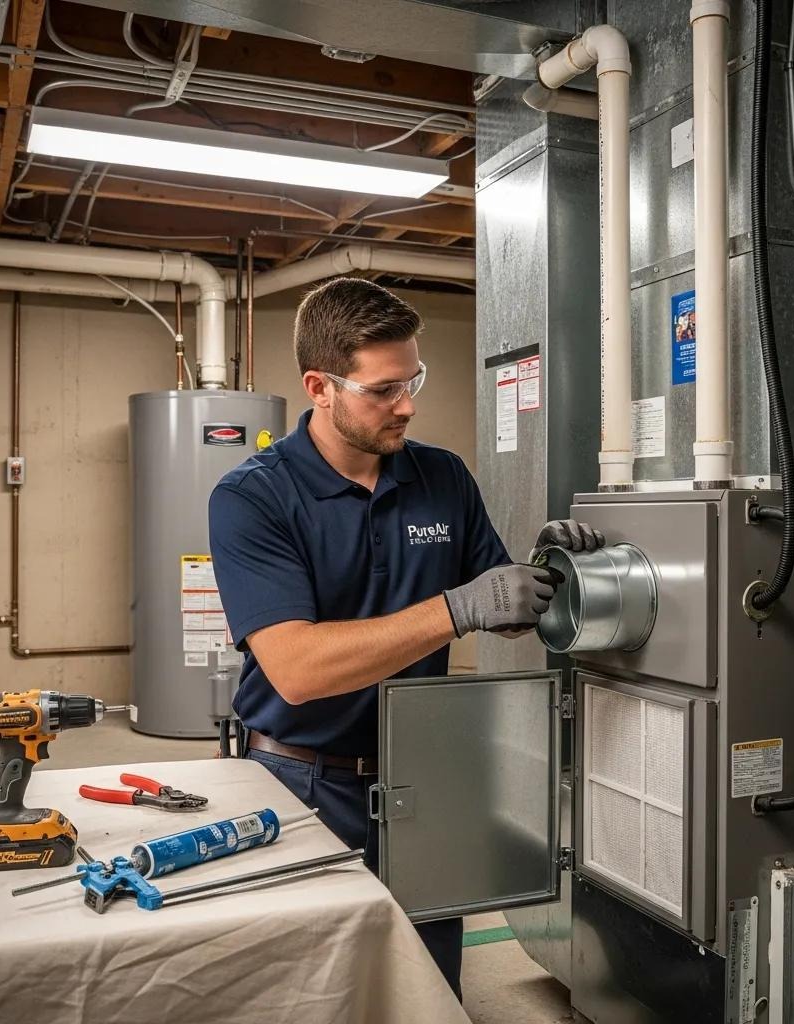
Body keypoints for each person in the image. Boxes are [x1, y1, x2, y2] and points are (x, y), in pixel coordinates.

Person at [208, 277, 602, 999]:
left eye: (413, 379)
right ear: (319, 387)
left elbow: (499, 603)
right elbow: (295, 667)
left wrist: (549, 574)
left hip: (426, 774)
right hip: (302, 782)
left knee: (426, 987)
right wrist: (457, 608)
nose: (409, 404)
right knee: (314, 989)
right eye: (384, 389)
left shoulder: (441, 477)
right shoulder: (253, 498)